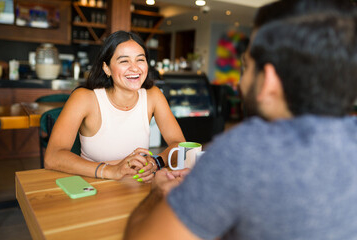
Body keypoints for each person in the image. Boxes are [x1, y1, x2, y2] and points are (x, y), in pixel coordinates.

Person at [124, 2, 357, 240]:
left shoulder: (244, 151)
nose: (240, 83)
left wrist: (157, 192)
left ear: (269, 81)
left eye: (246, 67)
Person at [44, 31, 185, 182]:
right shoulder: (85, 98)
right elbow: (53, 157)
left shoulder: (153, 95)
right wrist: (111, 171)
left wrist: (156, 161)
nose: (135, 68)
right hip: (94, 185)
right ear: (107, 68)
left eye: (140, 60)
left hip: (136, 184)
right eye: (124, 61)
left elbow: (181, 145)